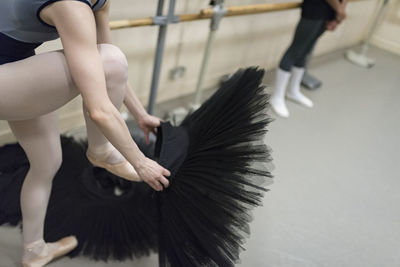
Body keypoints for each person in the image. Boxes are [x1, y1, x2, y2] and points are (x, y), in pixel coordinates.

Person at [0, 0, 171, 266]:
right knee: (111, 60)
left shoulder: (98, 2)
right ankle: (100, 150)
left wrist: (141, 114)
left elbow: (107, 69)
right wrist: (140, 161)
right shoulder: (71, 5)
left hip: (13, 67)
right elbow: (100, 107)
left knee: (47, 163)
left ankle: (34, 250)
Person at [270, 0, 347, 118]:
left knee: (306, 50)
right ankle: (277, 96)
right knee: (295, 50)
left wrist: (338, 12)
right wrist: (339, 10)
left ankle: (293, 91)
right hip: (317, 6)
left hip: (331, 10)